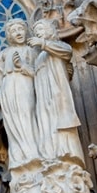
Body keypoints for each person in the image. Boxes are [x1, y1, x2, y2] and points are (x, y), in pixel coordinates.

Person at [0, 23, 42, 170]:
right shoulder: (6, 53)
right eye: (14, 31)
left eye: (21, 29)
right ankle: (19, 156)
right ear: (8, 35)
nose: (18, 33)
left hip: (25, 85)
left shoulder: (31, 51)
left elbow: (40, 73)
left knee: (27, 117)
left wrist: (22, 66)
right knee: (12, 122)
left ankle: (33, 154)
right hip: (8, 87)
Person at [30, 18, 84, 166]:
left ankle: (68, 154)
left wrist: (43, 44)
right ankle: (50, 155)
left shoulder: (58, 46)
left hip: (58, 93)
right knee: (47, 124)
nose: (38, 33)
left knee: (61, 123)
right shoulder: (40, 56)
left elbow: (67, 53)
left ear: (49, 30)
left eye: (40, 29)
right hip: (43, 97)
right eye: (36, 32)